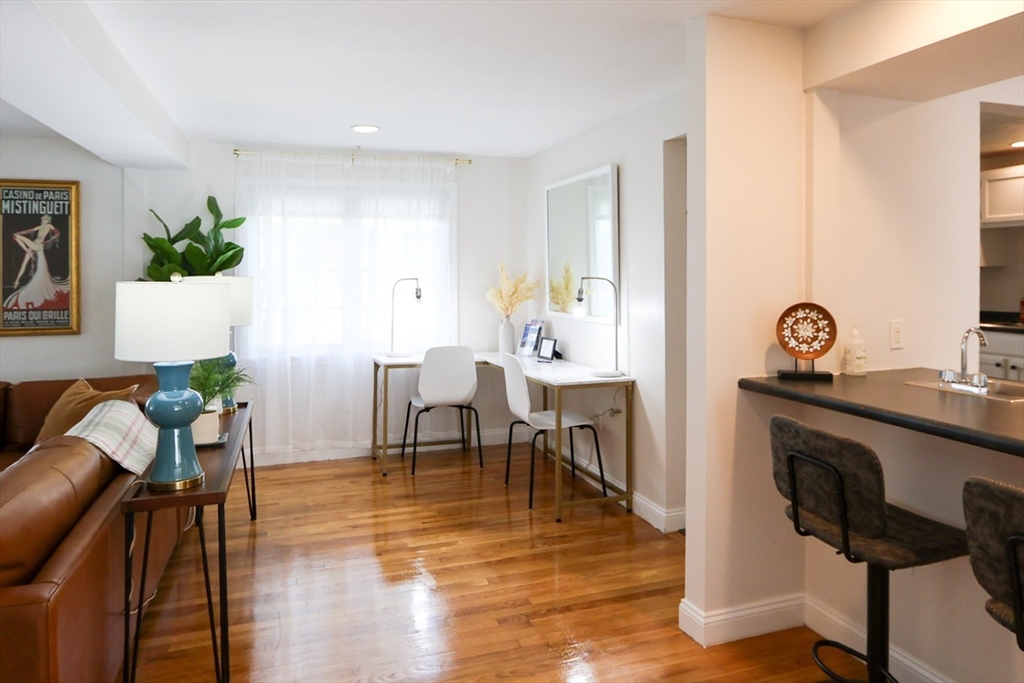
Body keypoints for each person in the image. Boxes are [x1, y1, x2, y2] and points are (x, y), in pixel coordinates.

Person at [4, 214, 69, 310]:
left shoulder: (49, 226)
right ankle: (17, 281)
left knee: (16, 235)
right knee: (23, 263)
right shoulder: (40, 226)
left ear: (49, 220)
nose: (44, 220)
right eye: (43, 218)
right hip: (33, 245)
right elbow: (29, 231)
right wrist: (21, 232)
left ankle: (27, 252)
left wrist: (48, 241)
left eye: (46, 219)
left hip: (38, 246)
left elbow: (57, 233)